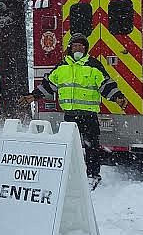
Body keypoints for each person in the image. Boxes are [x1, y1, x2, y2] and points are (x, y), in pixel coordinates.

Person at [22, 34, 126, 186]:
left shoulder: (93, 65)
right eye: (75, 46)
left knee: (91, 147)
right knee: (70, 147)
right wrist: (33, 96)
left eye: (81, 46)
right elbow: (48, 85)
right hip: (70, 116)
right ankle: (70, 174)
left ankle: (92, 175)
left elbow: (106, 85)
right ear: (70, 48)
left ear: (85, 48)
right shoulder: (62, 67)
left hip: (88, 115)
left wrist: (117, 97)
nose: (78, 48)